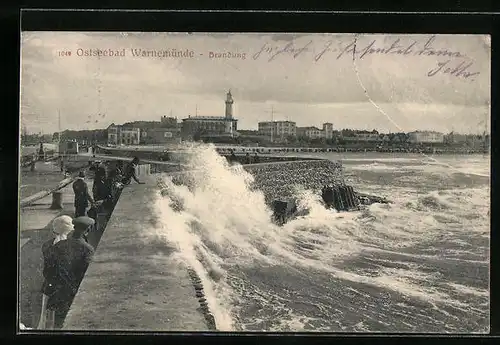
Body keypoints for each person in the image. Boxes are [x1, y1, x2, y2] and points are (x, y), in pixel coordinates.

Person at [38, 215, 74, 329]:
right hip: (63, 287)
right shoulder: (71, 246)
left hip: (49, 285)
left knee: (47, 317)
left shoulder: (47, 245)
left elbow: (47, 270)